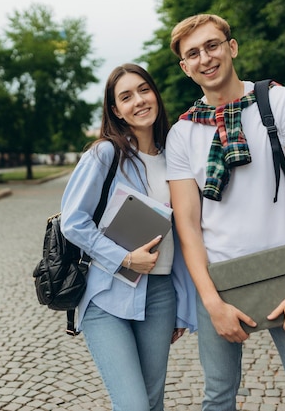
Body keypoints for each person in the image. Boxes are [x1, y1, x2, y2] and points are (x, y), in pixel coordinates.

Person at [165, 14, 285, 410]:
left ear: (232, 47)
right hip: (219, 286)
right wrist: (210, 303)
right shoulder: (182, 134)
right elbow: (188, 226)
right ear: (185, 68)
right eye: (193, 53)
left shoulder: (281, 102)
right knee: (218, 398)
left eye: (212, 45)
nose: (205, 58)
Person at [60, 63, 197, 411]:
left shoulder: (176, 157)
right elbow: (73, 222)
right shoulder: (105, 154)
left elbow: (183, 235)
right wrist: (124, 257)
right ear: (116, 111)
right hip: (107, 296)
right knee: (134, 406)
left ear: (155, 93)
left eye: (143, 90)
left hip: (160, 296)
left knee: (152, 404)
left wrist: (182, 305)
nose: (138, 100)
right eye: (126, 96)